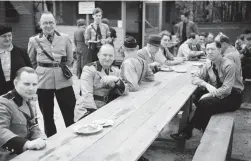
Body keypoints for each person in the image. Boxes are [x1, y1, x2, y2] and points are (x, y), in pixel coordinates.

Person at [170, 41, 244, 140]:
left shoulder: (229, 65)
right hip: (217, 92)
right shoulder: (208, 63)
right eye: (207, 49)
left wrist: (209, 94)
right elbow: (195, 78)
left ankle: (188, 131)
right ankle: (203, 129)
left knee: (204, 102)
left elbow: (226, 90)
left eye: (212, 49)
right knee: (196, 96)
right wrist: (207, 85)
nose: (209, 52)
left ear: (219, 50)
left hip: (233, 96)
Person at [28, 11, 76, 137]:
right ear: (40, 24)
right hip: (44, 82)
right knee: (47, 117)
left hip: (63, 81)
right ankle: (52, 141)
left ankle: (71, 138)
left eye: (51, 22)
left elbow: (70, 59)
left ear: (55, 24)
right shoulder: (34, 41)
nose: (48, 25)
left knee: (69, 113)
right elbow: (31, 62)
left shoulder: (65, 38)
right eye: (45, 23)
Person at [0, 67, 47, 161]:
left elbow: (32, 125)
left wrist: (42, 139)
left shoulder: (28, 99)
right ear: (15, 83)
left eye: (34, 84)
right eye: (26, 84)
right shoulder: (3, 103)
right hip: (9, 155)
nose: (31, 88)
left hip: (28, 153)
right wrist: (27, 144)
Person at [74, 44, 128, 122]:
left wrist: (117, 80)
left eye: (110, 55)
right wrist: (96, 117)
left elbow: (125, 91)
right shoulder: (89, 69)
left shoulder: (115, 71)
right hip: (87, 111)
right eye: (104, 55)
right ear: (98, 55)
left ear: (114, 57)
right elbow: (87, 96)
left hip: (106, 109)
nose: (107, 58)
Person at [0, 24, 32, 96]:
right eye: (4, 36)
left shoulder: (21, 52)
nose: (7, 39)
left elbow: (30, 71)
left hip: (19, 91)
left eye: (9, 36)